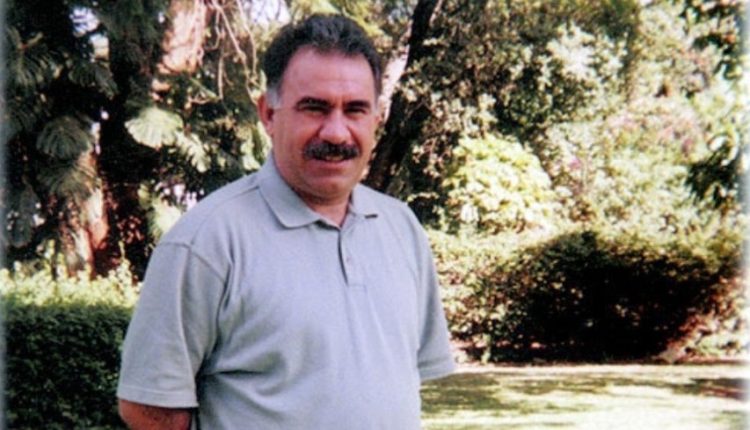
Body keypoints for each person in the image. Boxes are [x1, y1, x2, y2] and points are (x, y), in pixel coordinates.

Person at [117, 14, 455, 430]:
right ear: (269, 114)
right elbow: (148, 408)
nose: (336, 133)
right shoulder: (205, 243)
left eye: (355, 109)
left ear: (375, 120)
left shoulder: (401, 229)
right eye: (314, 107)